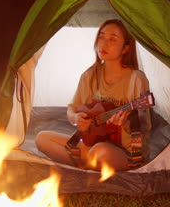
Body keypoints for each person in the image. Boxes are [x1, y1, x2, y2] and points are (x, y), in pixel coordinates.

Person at [35, 19, 151, 171]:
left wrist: (126, 124)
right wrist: (76, 118)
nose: (104, 43)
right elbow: (72, 110)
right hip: (91, 144)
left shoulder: (136, 79)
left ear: (125, 49)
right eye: (101, 37)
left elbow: (144, 125)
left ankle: (81, 165)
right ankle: (87, 166)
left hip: (124, 152)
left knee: (99, 152)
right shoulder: (89, 76)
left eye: (112, 39)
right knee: (42, 138)